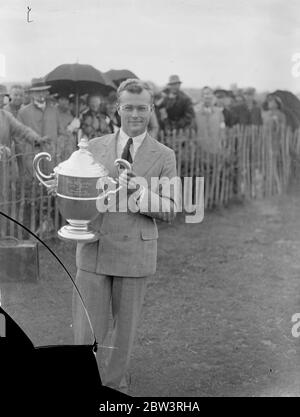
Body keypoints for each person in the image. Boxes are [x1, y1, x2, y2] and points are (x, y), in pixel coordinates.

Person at [70, 79, 178, 394]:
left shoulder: (164, 155)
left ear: (150, 109)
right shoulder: (93, 146)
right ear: (118, 108)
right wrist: (65, 191)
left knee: (123, 334)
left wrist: (139, 192)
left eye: (141, 107)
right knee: (87, 329)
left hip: (135, 254)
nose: (135, 114)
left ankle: (114, 386)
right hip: (95, 248)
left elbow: (171, 209)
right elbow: (79, 193)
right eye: (128, 107)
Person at [18, 78, 61, 175]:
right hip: (32, 157)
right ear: (32, 94)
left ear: (46, 92)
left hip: (51, 156)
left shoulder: (54, 111)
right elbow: (19, 137)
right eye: (37, 92)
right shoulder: (23, 112)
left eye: (43, 91)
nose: (40, 94)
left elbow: (60, 132)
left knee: (50, 184)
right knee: (33, 186)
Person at [195, 86, 226, 154]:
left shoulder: (218, 112)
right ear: (202, 97)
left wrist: (222, 140)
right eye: (205, 96)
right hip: (201, 147)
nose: (208, 99)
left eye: (209, 97)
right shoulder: (196, 112)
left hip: (215, 146)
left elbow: (222, 127)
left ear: (213, 98)